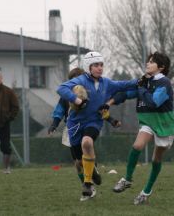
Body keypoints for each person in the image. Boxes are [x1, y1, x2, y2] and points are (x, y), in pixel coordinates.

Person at [57, 51, 138, 201]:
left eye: (101, 65)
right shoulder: (80, 80)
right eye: (96, 65)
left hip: (94, 122)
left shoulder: (106, 82)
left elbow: (124, 85)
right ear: (88, 67)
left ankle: (87, 184)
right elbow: (61, 89)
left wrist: (141, 80)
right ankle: (92, 172)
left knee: (87, 142)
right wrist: (77, 100)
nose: (100, 68)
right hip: (74, 125)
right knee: (79, 162)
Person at [112, 52, 174, 205]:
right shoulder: (145, 82)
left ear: (161, 67)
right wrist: (108, 102)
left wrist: (141, 89)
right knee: (137, 145)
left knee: (156, 159)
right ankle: (127, 179)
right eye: (148, 61)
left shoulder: (164, 83)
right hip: (147, 121)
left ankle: (145, 192)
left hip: (164, 124)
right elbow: (127, 93)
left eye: (152, 62)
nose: (148, 64)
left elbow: (154, 102)